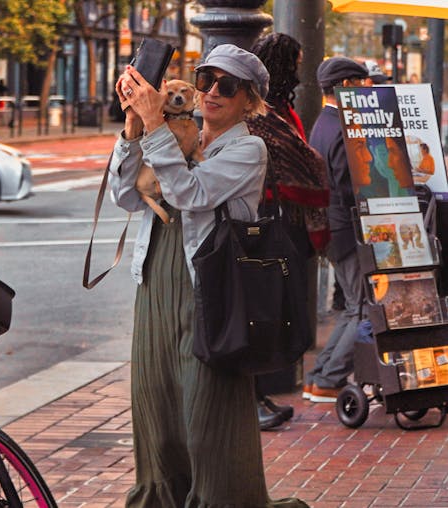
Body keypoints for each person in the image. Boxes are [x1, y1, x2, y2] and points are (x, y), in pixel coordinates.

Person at [109, 43, 308, 507]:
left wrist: (155, 126)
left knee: (207, 411)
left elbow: (188, 192)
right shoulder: (179, 135)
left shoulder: (248, 149)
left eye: (228, 86)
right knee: (156, 403)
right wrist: (132, 127)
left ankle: (222, 498)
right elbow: (125, 195)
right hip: (156, 275)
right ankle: (162, 496)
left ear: (249, 100)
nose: (212, 92)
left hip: (214, 288)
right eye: (205, 81)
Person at [247, 33, 330, 430]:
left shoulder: (279, 108)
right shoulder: (260, 113)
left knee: (280, 312)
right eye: (295, 62)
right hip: (267, 223)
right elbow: (298, 161)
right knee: (263, 311)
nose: (300, 71)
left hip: (284, 222)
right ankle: (252, 397)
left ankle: (258, 394)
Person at [304, 57, 370, 403]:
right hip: (345, 228)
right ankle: (329, 378)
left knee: (351, 306)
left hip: (331, 228)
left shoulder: (323, 122)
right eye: (360, 85)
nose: (364, 91)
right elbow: (348, 186)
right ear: (345, 87)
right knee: (362, 306)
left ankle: (319, 377)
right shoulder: (342, 127)